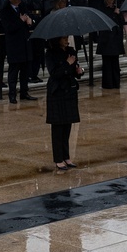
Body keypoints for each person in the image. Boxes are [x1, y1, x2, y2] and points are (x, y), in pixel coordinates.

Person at [45, 36, 83, 170]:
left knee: (67, 125)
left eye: (67, 37)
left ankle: (66, 156)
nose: (67, 39)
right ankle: (58, 158)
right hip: (57, 91)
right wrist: (67, 63)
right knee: (58, 127)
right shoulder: (50, 54)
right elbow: (54, 73)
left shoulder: (71, 51)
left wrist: (79, 71)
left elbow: (74, 70)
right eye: (64, 38)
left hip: (70, 90)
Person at [1, 0, 37, 103]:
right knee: (14, 72)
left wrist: (30, 21)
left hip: (25, 44)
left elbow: (30, 18)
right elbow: (8, 28)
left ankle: (24, 92)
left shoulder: (23, 7)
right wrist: (20, 21)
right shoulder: (5, 10)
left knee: (25, 71)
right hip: (14, 46)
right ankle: (12, 94)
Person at [95, 0, 125, 89]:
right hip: (106, 40)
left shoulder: (117, 10)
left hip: (115, 39)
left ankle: (116, 83)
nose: (110, 0)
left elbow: (121, 23)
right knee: (107, 63)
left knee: (115, 63)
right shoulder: (102, 10)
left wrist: (118, 14)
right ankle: (108, 84)